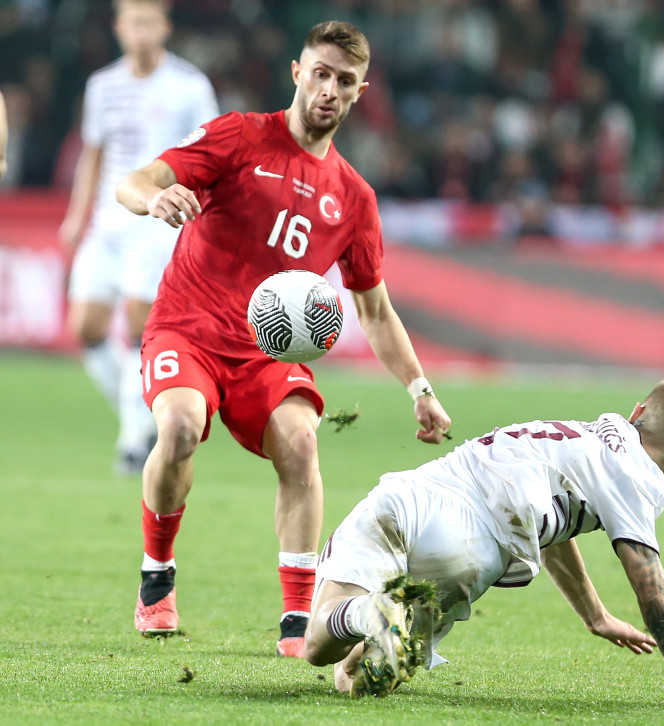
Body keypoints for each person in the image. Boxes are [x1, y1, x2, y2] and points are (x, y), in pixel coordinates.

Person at [115, 20, 451, 657]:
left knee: (301, 441)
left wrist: (420, 388)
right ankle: (157, 573)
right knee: (181, 427)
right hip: (187, 327)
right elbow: (134, 179)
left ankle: (299, 617)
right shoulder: (240, 136)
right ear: (298, 74)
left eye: (344, 81)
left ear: (359, 93)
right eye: (320, 73)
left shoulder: (354, 198)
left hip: (264, 352)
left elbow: (375, 311)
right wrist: (153, 201)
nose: (329, 89)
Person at [305, 377, 664, 710]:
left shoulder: (583, 431)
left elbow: (548, 528)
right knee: (355, 682)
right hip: (469, 551)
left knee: (319, 648)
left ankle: (367, 612)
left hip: (412, 496)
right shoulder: (638, 480)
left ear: (636, 412)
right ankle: (377, 615)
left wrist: (596, 615)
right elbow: (656, 592)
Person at [58, 0, 218, 474]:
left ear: (165, 27)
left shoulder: (189, 85)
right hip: (108, 224)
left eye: (150, 22)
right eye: (133, 22)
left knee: (136, 328)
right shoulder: (102, 85)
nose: (142, 31)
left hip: (159, 223)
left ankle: (132, 443)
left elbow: (209, 152)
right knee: (85, 327)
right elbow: (93, 153)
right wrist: (75, 214)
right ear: (119, 28)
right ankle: (140, 419)